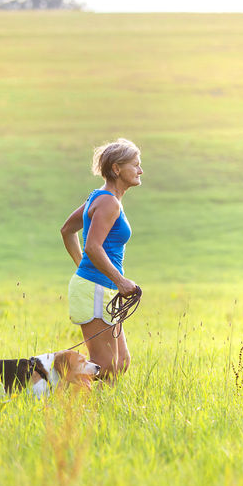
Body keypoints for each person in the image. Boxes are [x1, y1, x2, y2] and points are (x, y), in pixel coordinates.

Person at [60, 138, 142, 380]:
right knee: (105, 367)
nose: (140, 170)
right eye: (135, 165)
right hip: (96, 287)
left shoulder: (103, 198)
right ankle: (56, 389)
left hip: (98, 286)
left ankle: (105, 411)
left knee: (121, 362)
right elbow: (93, 247)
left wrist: (83, 269)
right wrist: (119, 281)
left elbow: (67, 230)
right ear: (117, 169)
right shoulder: (107, 202)